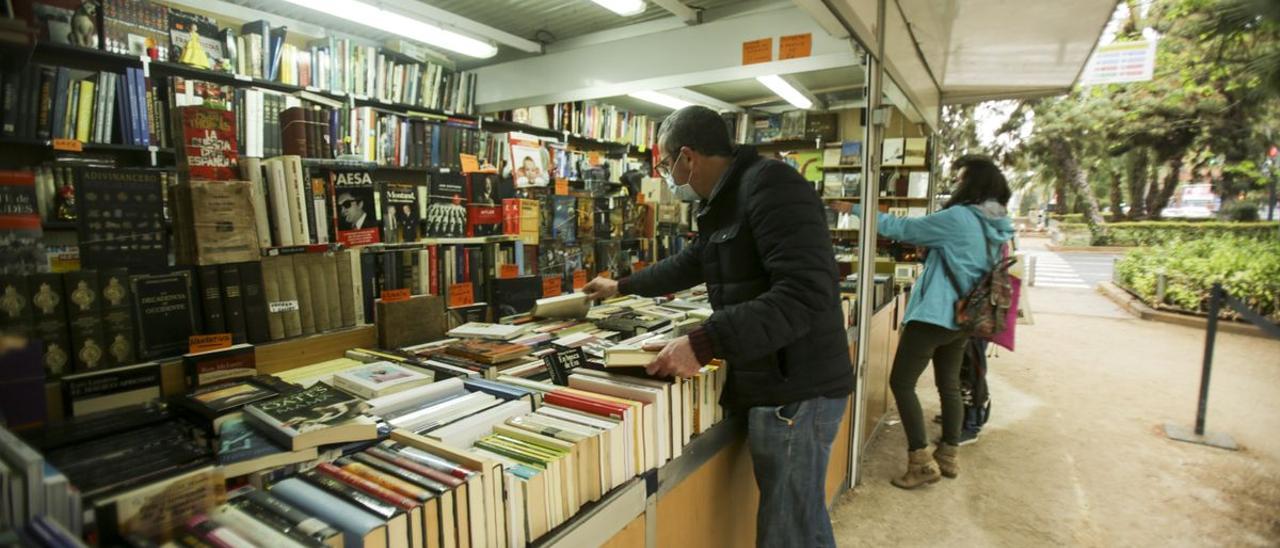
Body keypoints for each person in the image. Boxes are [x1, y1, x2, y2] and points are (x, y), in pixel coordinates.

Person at [583, 106, 852, 548]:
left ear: (687, 157)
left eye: (666, 165)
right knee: (800, 521)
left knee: (789, 531)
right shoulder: (726, 200)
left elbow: (804, 295)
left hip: (799, 389)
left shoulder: (771, 187)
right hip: (778, 381)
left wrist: (705, 341)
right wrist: (621, 285)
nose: (667, 175)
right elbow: (693, 263)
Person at [842, 154, 1013, 489]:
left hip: (935, 314)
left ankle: (920, 459)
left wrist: (857, 210)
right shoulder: (996, 224)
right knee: (948, 383)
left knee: (902, 383)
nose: (957, 184)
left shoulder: (960, 218)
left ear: (973, 183)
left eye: (962, 178)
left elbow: (902, 229)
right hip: (966, 317)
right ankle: (949, 454)